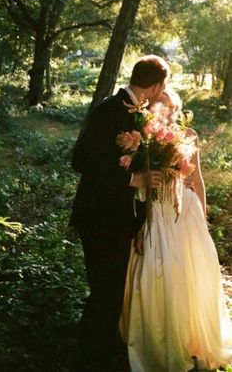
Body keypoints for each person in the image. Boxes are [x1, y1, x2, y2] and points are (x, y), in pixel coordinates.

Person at [69, 55, 170, 372]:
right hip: (99, 218)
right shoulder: (110, 110)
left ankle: (103, 350)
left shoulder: (140, 116)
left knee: (113, 292)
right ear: (155, 85)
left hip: (120, 220)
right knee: (104, 292)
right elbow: (82, 161)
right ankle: (88, 359)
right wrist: (132, 178)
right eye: (161, 86)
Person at [119, 88, 232, 372]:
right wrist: (140, 223)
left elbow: (198, 178)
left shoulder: (189, 134)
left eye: (171, 107)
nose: (166, 111)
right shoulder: (144, 137)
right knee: (158, 274)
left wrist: (203, 217)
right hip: (156, 212)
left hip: (185, 213)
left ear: (178, 109)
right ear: (153, 108)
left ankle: (191, 339)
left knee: (190, 275)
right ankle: (159, 341)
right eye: (161, 105)